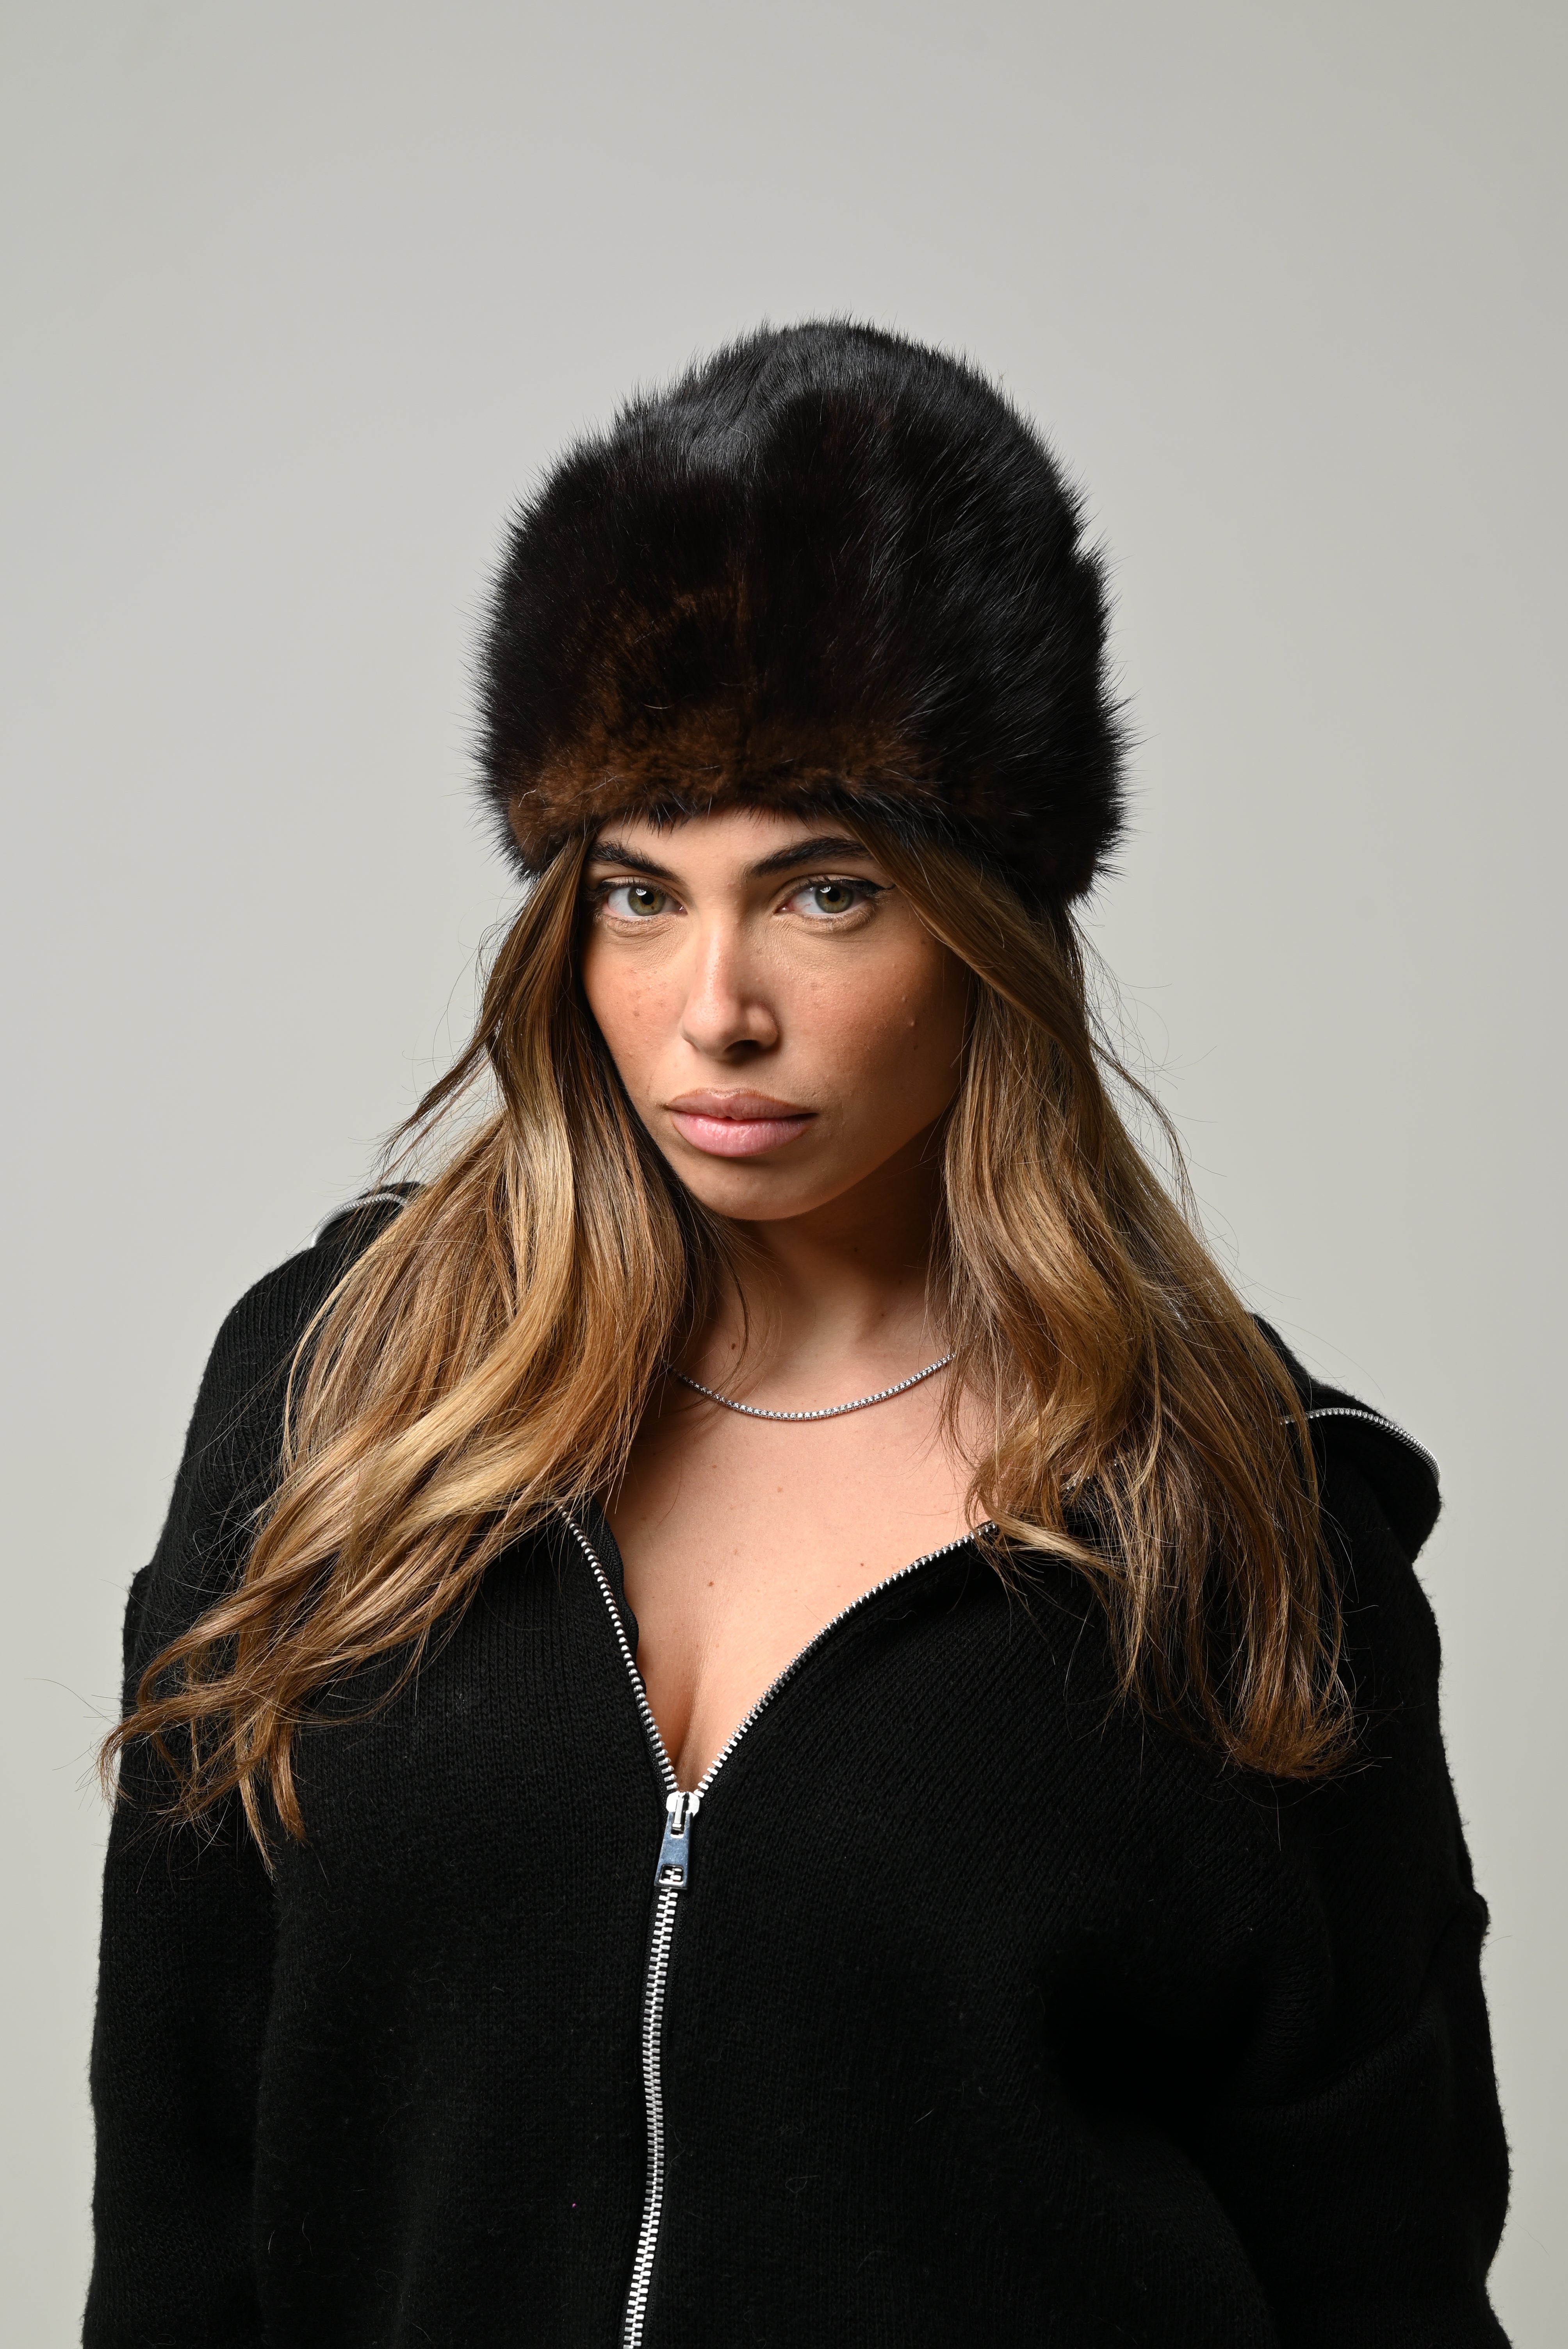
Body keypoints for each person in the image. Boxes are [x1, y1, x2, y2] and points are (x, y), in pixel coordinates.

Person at [87, 322, 1509, 2348]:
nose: (715, 1009)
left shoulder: (1242, 1522)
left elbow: (1386, 2285)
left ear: (990, 922)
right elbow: (180, 2193)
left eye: (824, 892)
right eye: (640, 892)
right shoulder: (344, 1394)